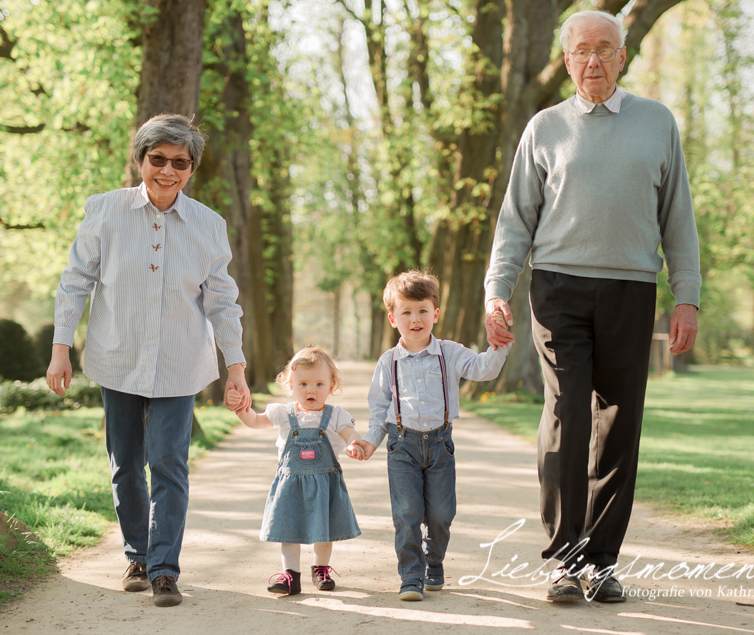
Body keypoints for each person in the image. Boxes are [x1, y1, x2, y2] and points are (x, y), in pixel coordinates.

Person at [483, 10, 701, 604]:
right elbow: (515, 219)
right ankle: (562, 560)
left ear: (623, 57)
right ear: (568, 58)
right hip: (558, 287)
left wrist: (688, 294)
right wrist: (496, 290)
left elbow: (677, 216)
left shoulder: (657, 123)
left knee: (619, 423)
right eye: (581, 51)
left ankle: (601, 562)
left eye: (605, 50)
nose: (593, 61)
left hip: (633, 288)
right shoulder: (545, 127)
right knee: (567, 415)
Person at [45, 113, 251, 607]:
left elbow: (223, 302)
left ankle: (163, 569)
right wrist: (61, 347)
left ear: (191, 169)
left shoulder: (209, 225)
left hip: (180, 364)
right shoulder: (104, 211)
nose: (167, 170)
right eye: (156, 159)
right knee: (125, 464)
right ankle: (136, 554)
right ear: (139, 160)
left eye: (179, 162)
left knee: (169, 464)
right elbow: (75, 281)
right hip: (118, 357)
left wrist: (236, 367)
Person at [354, 271, 510, 601]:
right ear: (393, 318)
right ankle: (411, 575)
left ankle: (433, 562)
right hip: (402, 446)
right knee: (407, 512)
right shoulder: (388, 363)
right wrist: (369, 442)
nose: (415, 319)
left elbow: (483, 369)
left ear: (435, 314)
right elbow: (379, 411)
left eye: (422, 310)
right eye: (406, 312)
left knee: (440, 514)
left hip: (440, 445)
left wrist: (498, 345)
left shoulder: (449, 353)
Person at [227, 347, 363, 596]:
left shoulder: (336, 415)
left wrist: (355, 443)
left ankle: (320, 568)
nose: (311, 390)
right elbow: (255, 421)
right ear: (291, 384)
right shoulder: (282, 413)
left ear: (332, 385)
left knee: (324, 528)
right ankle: (291, 575)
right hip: (290, 484)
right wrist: (241, 410)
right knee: (288, 528)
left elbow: (349, 432)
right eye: (303, 383)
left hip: (324, 485)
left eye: (319, 383)